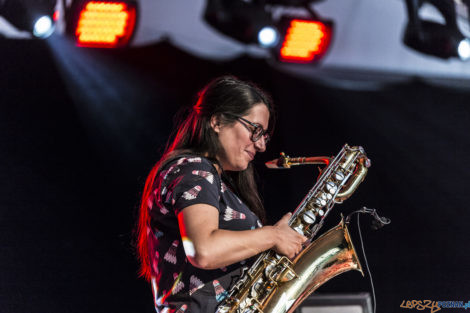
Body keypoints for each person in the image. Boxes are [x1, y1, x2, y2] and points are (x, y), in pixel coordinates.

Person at [135, 76, 307, 313]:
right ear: (216, 121)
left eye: (264, 136)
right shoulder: (194, 169)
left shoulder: (209, 177)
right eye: (255, 130)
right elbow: (204, 251)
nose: (261, 146)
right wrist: (272, 236)